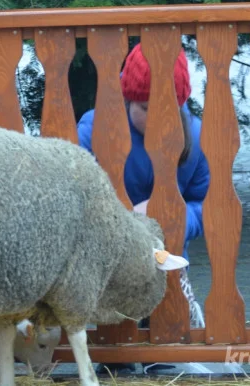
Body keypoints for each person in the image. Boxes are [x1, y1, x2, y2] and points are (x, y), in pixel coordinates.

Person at [77, 43, 210, 374]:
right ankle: (113, 363)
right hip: (109, 259)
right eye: (145, 108)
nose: (155, 118)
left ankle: (162, 360)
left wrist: (177, 217)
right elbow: (76, 195)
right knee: (114, 333)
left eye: (167, 108)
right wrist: (120, 216)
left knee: (163, 334)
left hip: (165, 260)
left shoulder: (195, 135)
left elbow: (207, 203)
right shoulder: (95, 128)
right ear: (127, 99)